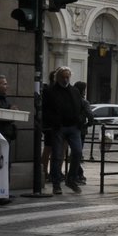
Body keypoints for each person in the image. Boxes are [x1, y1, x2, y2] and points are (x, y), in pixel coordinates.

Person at [42, 66, 88, 195]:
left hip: (74, 127)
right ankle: (56, 183)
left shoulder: (74, 91)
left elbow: (81, 106)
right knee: (57, 156)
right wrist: (53, 121)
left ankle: (71, 179)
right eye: (63, 77)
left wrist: (80, 119)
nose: (65, 79)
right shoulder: (50, 91)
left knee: (78, 152)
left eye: (67, 77)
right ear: (57, 77)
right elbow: (45, 110)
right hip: (59, 127)